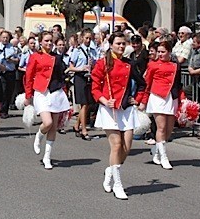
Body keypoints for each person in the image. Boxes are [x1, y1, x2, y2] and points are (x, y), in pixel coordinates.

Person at [91, 32, 148, 200]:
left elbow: (142, 85)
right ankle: (117, 184)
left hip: (126, 109)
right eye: (118, 43)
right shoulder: (102, 63)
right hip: (109, 109)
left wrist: (136, 100)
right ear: (111, 44)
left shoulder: (130, 64)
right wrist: (103, 100)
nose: (122, 46)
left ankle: (110, 170)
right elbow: (94, 87)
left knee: (126, 148)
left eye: (124, 44)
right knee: (116, 145)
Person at [24, 31, 72, 168]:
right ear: (40, 42)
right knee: (47, 122)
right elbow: (29, 76)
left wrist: (63, 89)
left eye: (51, 41)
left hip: (56, 92)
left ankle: (47, 157)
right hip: (41, 91)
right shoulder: (35, 57)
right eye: (46, 41)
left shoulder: (57, 57)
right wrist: (28, 95)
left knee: (53, 126)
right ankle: (39, 136)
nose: (49, 43)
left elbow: (61, 75)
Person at [143, 40, 181, 170]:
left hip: (171, 97)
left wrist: (181, 100)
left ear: (169, 52)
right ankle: (164, 157)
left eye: (163, 52)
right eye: (158, 51)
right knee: (161, 127)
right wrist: (143, 100)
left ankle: (156, 149)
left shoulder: (175, 65)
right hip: (157, 96)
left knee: (169, 130)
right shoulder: (152, 65)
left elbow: (178, 83)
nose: (160, 54)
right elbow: (147, 83)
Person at [68, 29, 97, 140]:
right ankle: (84, 130)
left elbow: (95, 63)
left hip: (89, 77)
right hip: (80, 77)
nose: (88, 40)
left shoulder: (93, 50)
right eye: (86, 38)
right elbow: (71, 67)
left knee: (88, 103)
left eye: (90, 38)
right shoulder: (77, 51)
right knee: (83, 104)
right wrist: (81, 68)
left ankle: (76, 125)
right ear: (82, 38)